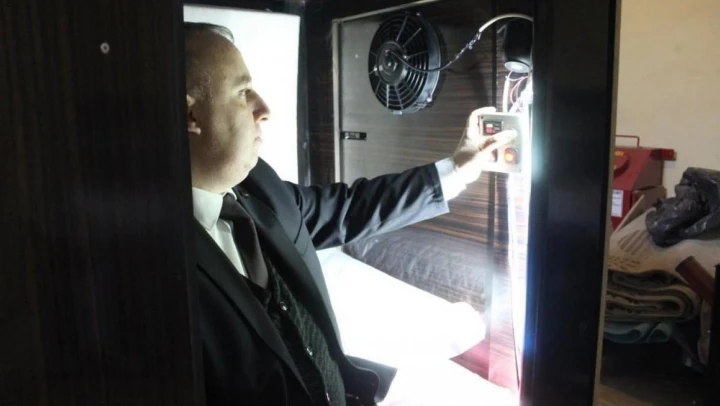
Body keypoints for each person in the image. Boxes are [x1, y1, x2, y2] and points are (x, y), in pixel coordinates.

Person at [184, 22, 516, 406]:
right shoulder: (152, 269)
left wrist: (457, 169)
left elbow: (348, 208)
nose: (265, 110)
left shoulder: (259, 185)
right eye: (243, 92)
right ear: (191, 115)